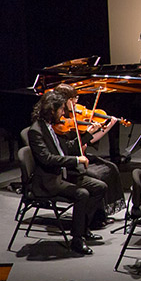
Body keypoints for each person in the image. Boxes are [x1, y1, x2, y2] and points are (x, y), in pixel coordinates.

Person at [26, 91, 108, 256]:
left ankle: (83, 228)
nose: (64, 113)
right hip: (48, 182)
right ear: (52, 110)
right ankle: (77, 239)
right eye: (61, 110)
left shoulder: (50, 127)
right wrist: (77, 160)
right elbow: (47, 159)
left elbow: (67, 148)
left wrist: (88, 134)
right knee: (82, 194)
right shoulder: (36, 131)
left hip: (62, 176)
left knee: (100, 187)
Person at [50, 84, 123, 225]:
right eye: (73, 99)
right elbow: (73, 148)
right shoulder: (59, 123)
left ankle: (101, 214)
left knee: (111, 167)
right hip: (71, 163)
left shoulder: (75, 117)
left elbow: (87, 141)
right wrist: (88, 135)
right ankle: (93, 218)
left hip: (81, 156)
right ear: (64, 100)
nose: (76, 102)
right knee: (97, 176)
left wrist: (106, 128)